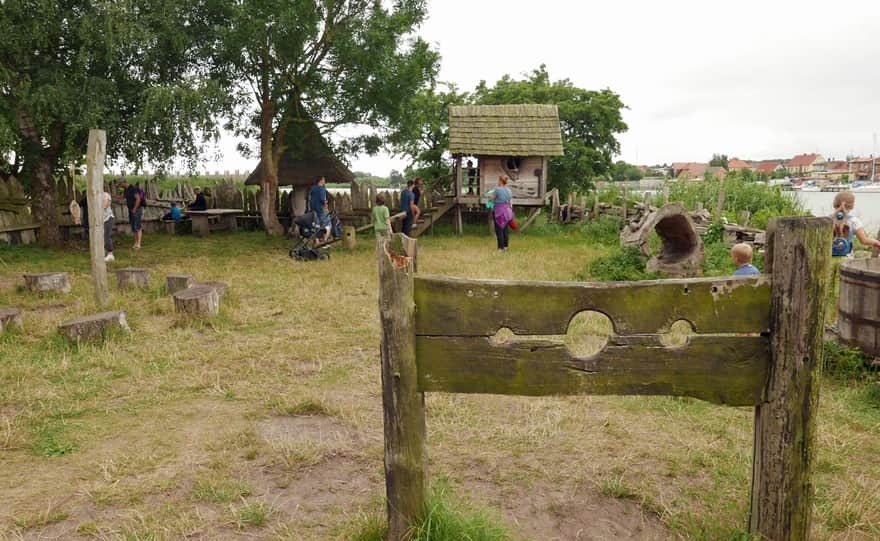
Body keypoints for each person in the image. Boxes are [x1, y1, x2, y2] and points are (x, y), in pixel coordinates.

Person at [830, 191, 880, 257]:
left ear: (834, 203)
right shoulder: (854, 221)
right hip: (846, 256)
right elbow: (864, 240)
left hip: (827, 255)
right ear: (852, 206)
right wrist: (876, 242)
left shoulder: (826, 219)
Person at [488, 175, 514, 251]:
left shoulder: (497, 190)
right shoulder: (509, 190)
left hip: (499, 212)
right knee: (505, 229)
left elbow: (490, 198)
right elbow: (511, 202)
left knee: (499, 230)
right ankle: (506, 247)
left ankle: (500, 248)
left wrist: (491, 194)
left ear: (500, 181)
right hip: (507, 211)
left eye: (498, 180)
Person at [120, 179, 144, 249]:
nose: (120, 186)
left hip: (137, 209)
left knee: (137, 225)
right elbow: (122, 197)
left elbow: (138, 199)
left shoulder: (133, 188)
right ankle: (136, 242)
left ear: (123, 182)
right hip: (131, 210)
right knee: (133, 226)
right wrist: (111, 196)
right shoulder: (126, 189)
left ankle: (139, 243)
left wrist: (134, 209)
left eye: (120, 184)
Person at [101, 190, 115, 262]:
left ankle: (110, 254)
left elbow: (106, 204)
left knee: (106, 236)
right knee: (101, 237)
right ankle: (102, 253)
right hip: (101, 220)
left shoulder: (105, 194)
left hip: (108, 218)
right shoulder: (95, 197)